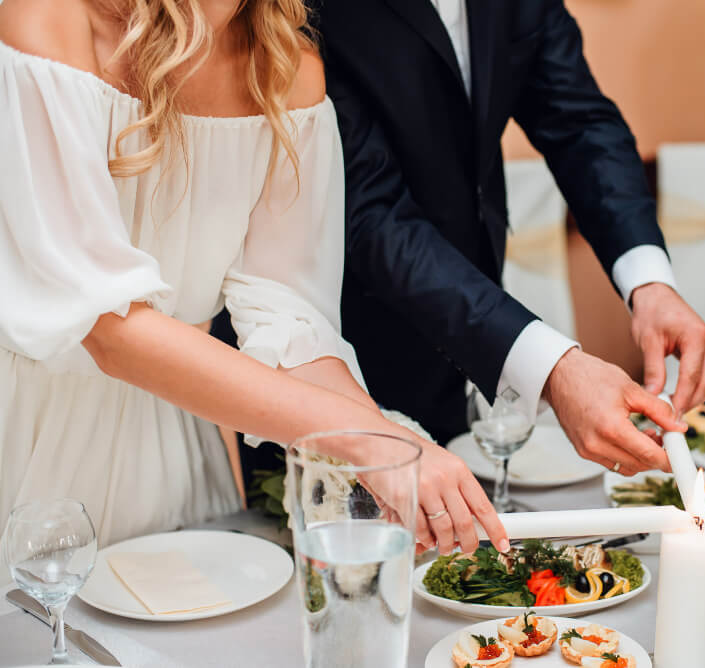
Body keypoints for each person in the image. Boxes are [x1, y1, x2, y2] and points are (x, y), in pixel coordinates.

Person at [0, 0, 509, 561]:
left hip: (171, 454)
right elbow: (105, 328)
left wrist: (391, 449)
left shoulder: (287, 66)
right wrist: (361, 436)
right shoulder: (49, 16)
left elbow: (293, 329)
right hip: (25, 441)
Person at [315, 0, 705, 478]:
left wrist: (650, 283)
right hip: (333, 354)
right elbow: (369, 212)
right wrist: (554, 370)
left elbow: (580, 125)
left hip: (462, 348)